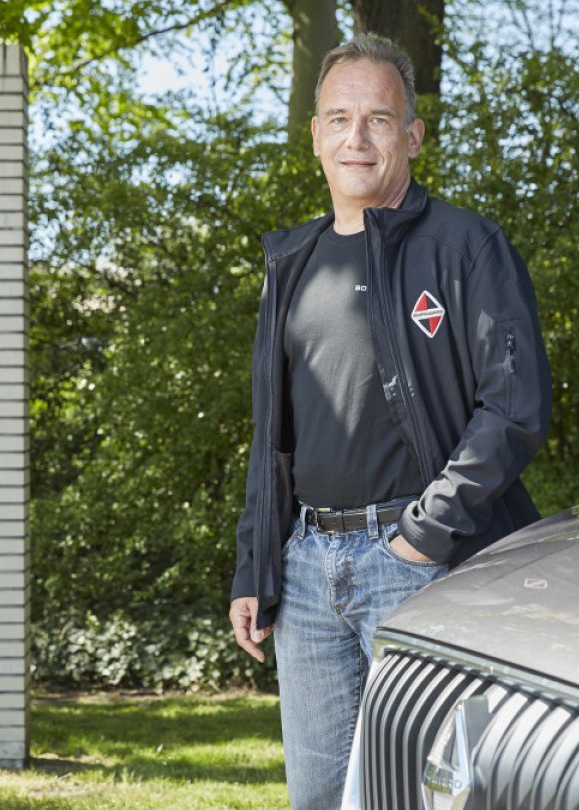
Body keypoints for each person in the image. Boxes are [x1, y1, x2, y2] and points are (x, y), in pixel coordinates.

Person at [227, 34, 551, 808]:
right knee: (317, 799)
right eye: (339, 118)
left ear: (412, 135)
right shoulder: (292, 265)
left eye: (378, 119)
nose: (357, 137)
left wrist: (422, 535)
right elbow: (272, 434)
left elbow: (514, 406)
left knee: (432, 797)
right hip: (306, 575)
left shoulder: (466, 247)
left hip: (419, 565)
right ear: (315, 136)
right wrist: (256, 564)